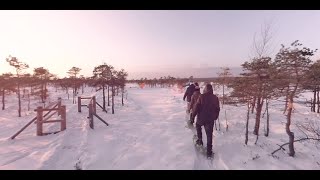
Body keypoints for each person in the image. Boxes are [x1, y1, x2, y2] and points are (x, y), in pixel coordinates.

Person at [191, 83, 220, 158]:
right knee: (209, 135)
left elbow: (196, 107)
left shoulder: (201, 96)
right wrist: (215, 117)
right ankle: (209, 152)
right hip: (210, 120)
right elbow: (218, 109)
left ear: (206, 89)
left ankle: (200, 141)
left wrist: (193, 117)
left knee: (198, 126)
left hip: (201, 118)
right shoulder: (215, 98)